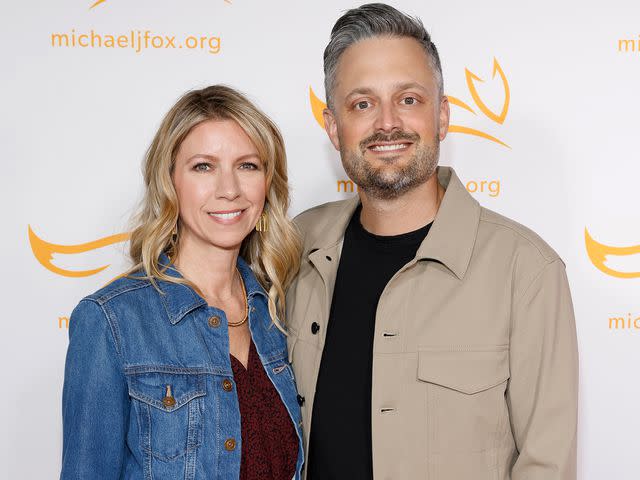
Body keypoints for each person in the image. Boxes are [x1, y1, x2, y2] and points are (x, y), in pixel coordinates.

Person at [286, 3, 578, 479]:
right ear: (333, 126)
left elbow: (547, 465)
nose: (386, 123)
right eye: (362, 103)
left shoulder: (525, 271)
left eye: (408, 99)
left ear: (442, 117)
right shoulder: (295, 248)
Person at [60, 85, 304, 480]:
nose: (229, 189)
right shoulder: (112, 321)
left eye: (248, 165)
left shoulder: (281, 311)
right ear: (170, 180)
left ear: (266, 184)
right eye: (203, 166)